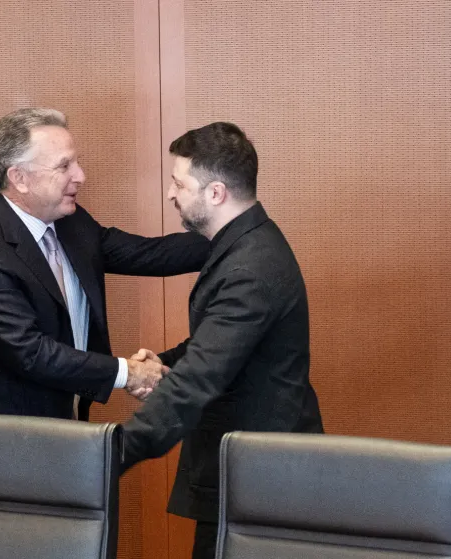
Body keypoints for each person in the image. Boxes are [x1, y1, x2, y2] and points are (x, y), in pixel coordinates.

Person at [120, 122, 324, 559]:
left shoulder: (250, 266)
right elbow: (218, 340)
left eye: (179, 184)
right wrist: (166, 363)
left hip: (262, 481)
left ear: (215, 193)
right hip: (246, 471)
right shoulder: (244, 244)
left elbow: (200, 378)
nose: (171, 194)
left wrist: (114, 452)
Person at [0, 108, 210, 420]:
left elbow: (150, 254)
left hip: (64, 419)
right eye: (64, 166)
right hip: (6, 431)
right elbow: (31, 352)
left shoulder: (70, 222)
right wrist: (127, 373)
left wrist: (232, 234)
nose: (80, 176)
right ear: (19, 178)